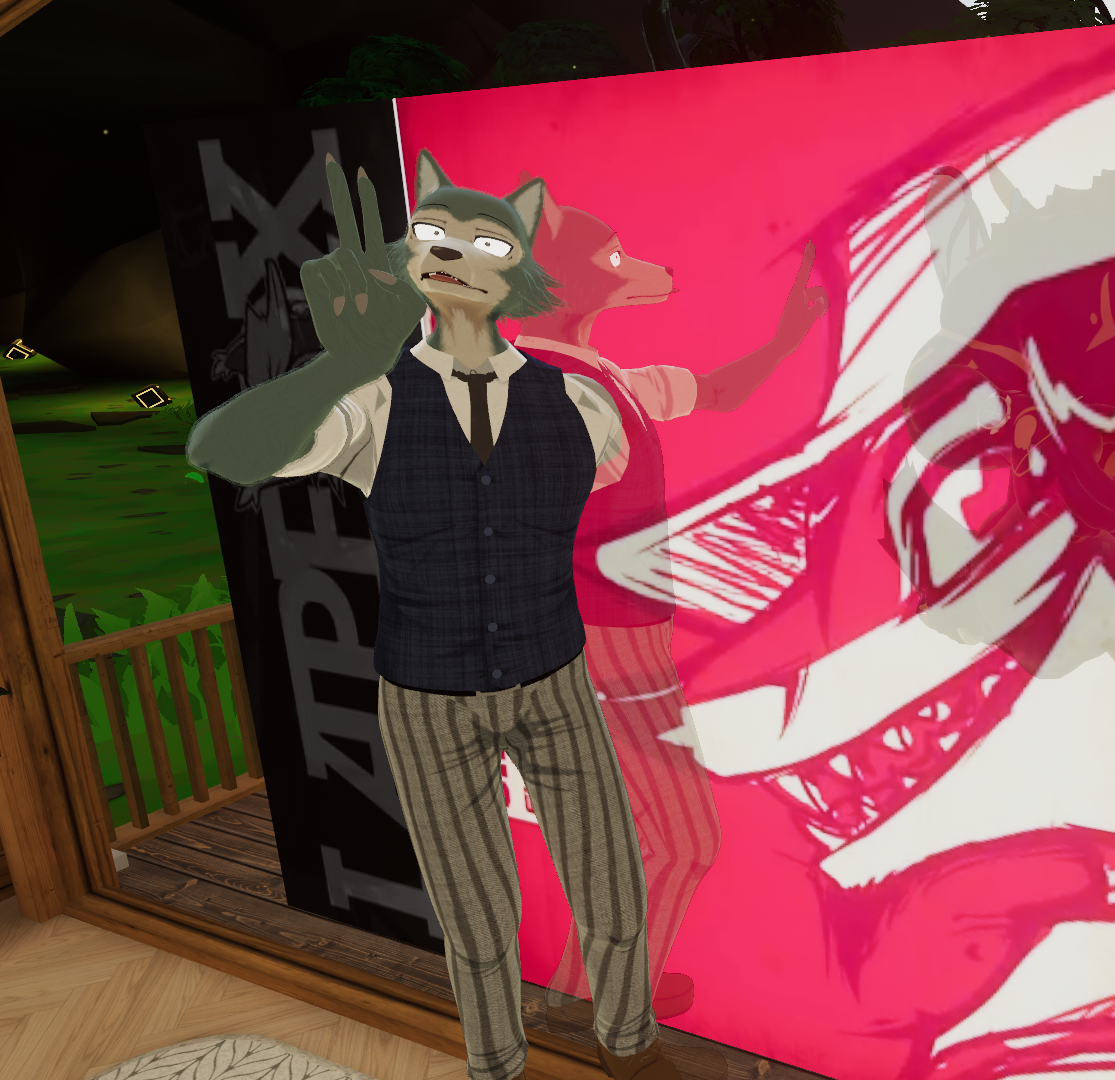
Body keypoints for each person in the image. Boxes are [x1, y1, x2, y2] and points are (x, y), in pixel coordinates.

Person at [186, 150, 676, 1080]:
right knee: (474, 912)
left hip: (556, 677)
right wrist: (338, 364)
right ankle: (496, 1065)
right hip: (425, 696)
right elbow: (224, 452)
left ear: (519, 267)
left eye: (487, 240)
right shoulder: (370, 400)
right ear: (410, 262)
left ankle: (630, 1043)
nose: (454, 252)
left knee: (611, 881)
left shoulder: (580, 402)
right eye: (433, 235)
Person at [508, 181, 827, 1020]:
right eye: (612, 258)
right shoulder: (561, 394)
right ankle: (605, 1004)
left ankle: (591, 989)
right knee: (684, 841)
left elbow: (717, 392)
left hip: (613, 633)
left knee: (623, 835)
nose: (639, 269)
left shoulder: (595, 376)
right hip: (604, 640)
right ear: (555, 283)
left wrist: (787, 339)